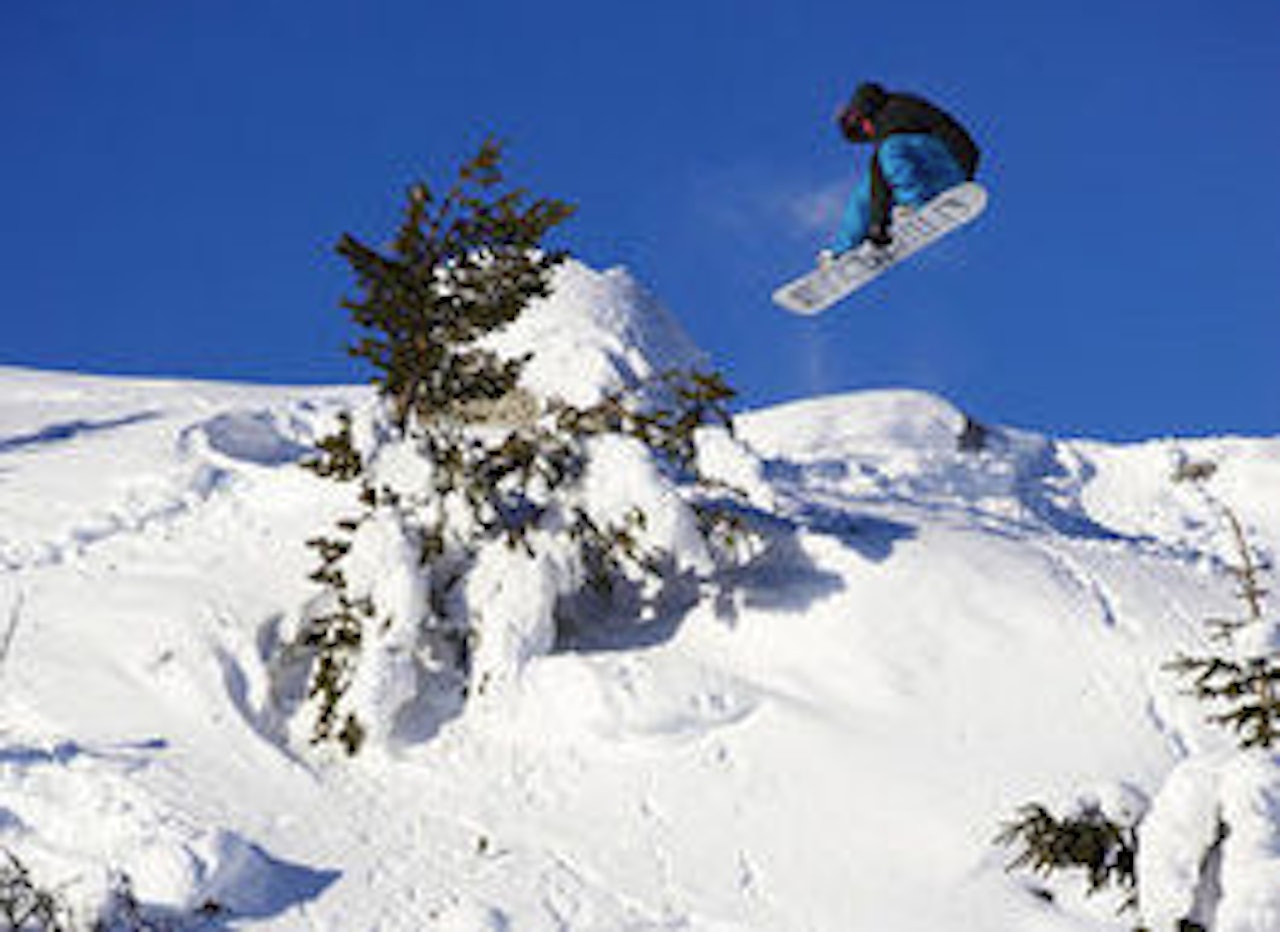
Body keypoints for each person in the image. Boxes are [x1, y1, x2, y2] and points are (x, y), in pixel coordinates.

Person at [824, 82, 981, 262]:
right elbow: (878, 186)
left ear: (863, 116)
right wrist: (878, 228)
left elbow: (886, 169)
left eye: (862, 128)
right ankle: (843, 250)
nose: (866, 134)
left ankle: (913, 204)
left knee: (891, 150)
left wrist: (883, 222)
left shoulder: (895, 110)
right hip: (925, 178)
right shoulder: (883, 141)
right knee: (864, 191)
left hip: (949, 164)